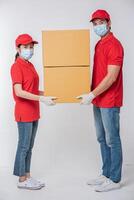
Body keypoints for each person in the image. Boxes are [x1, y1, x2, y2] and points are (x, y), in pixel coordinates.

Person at [77, 10, 124, 192]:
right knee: (101, 137)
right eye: (94, 23)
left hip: (109, 100)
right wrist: (90, 94)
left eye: (100, 22)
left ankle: (115, 178)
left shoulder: (114, 45)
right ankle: (106, 173)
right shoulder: (99, 44)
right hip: (97, 99)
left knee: (112, 139)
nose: (98, 26)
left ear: (109, 22)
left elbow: (112, 77)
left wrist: (92, 94)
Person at [10, 34, 56, 190]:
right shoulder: (16, 66)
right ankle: (21, 179)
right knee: (23, 146)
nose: (29, 50)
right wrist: (41, 99)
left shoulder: (29, 65)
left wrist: (45, 94)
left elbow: (32, 89)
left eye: (31, 47)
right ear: (18, 49)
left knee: (29, 146)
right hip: (24, 112)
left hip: (34, 111)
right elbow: (19, 92)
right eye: (25, 47)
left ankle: (27, 176)